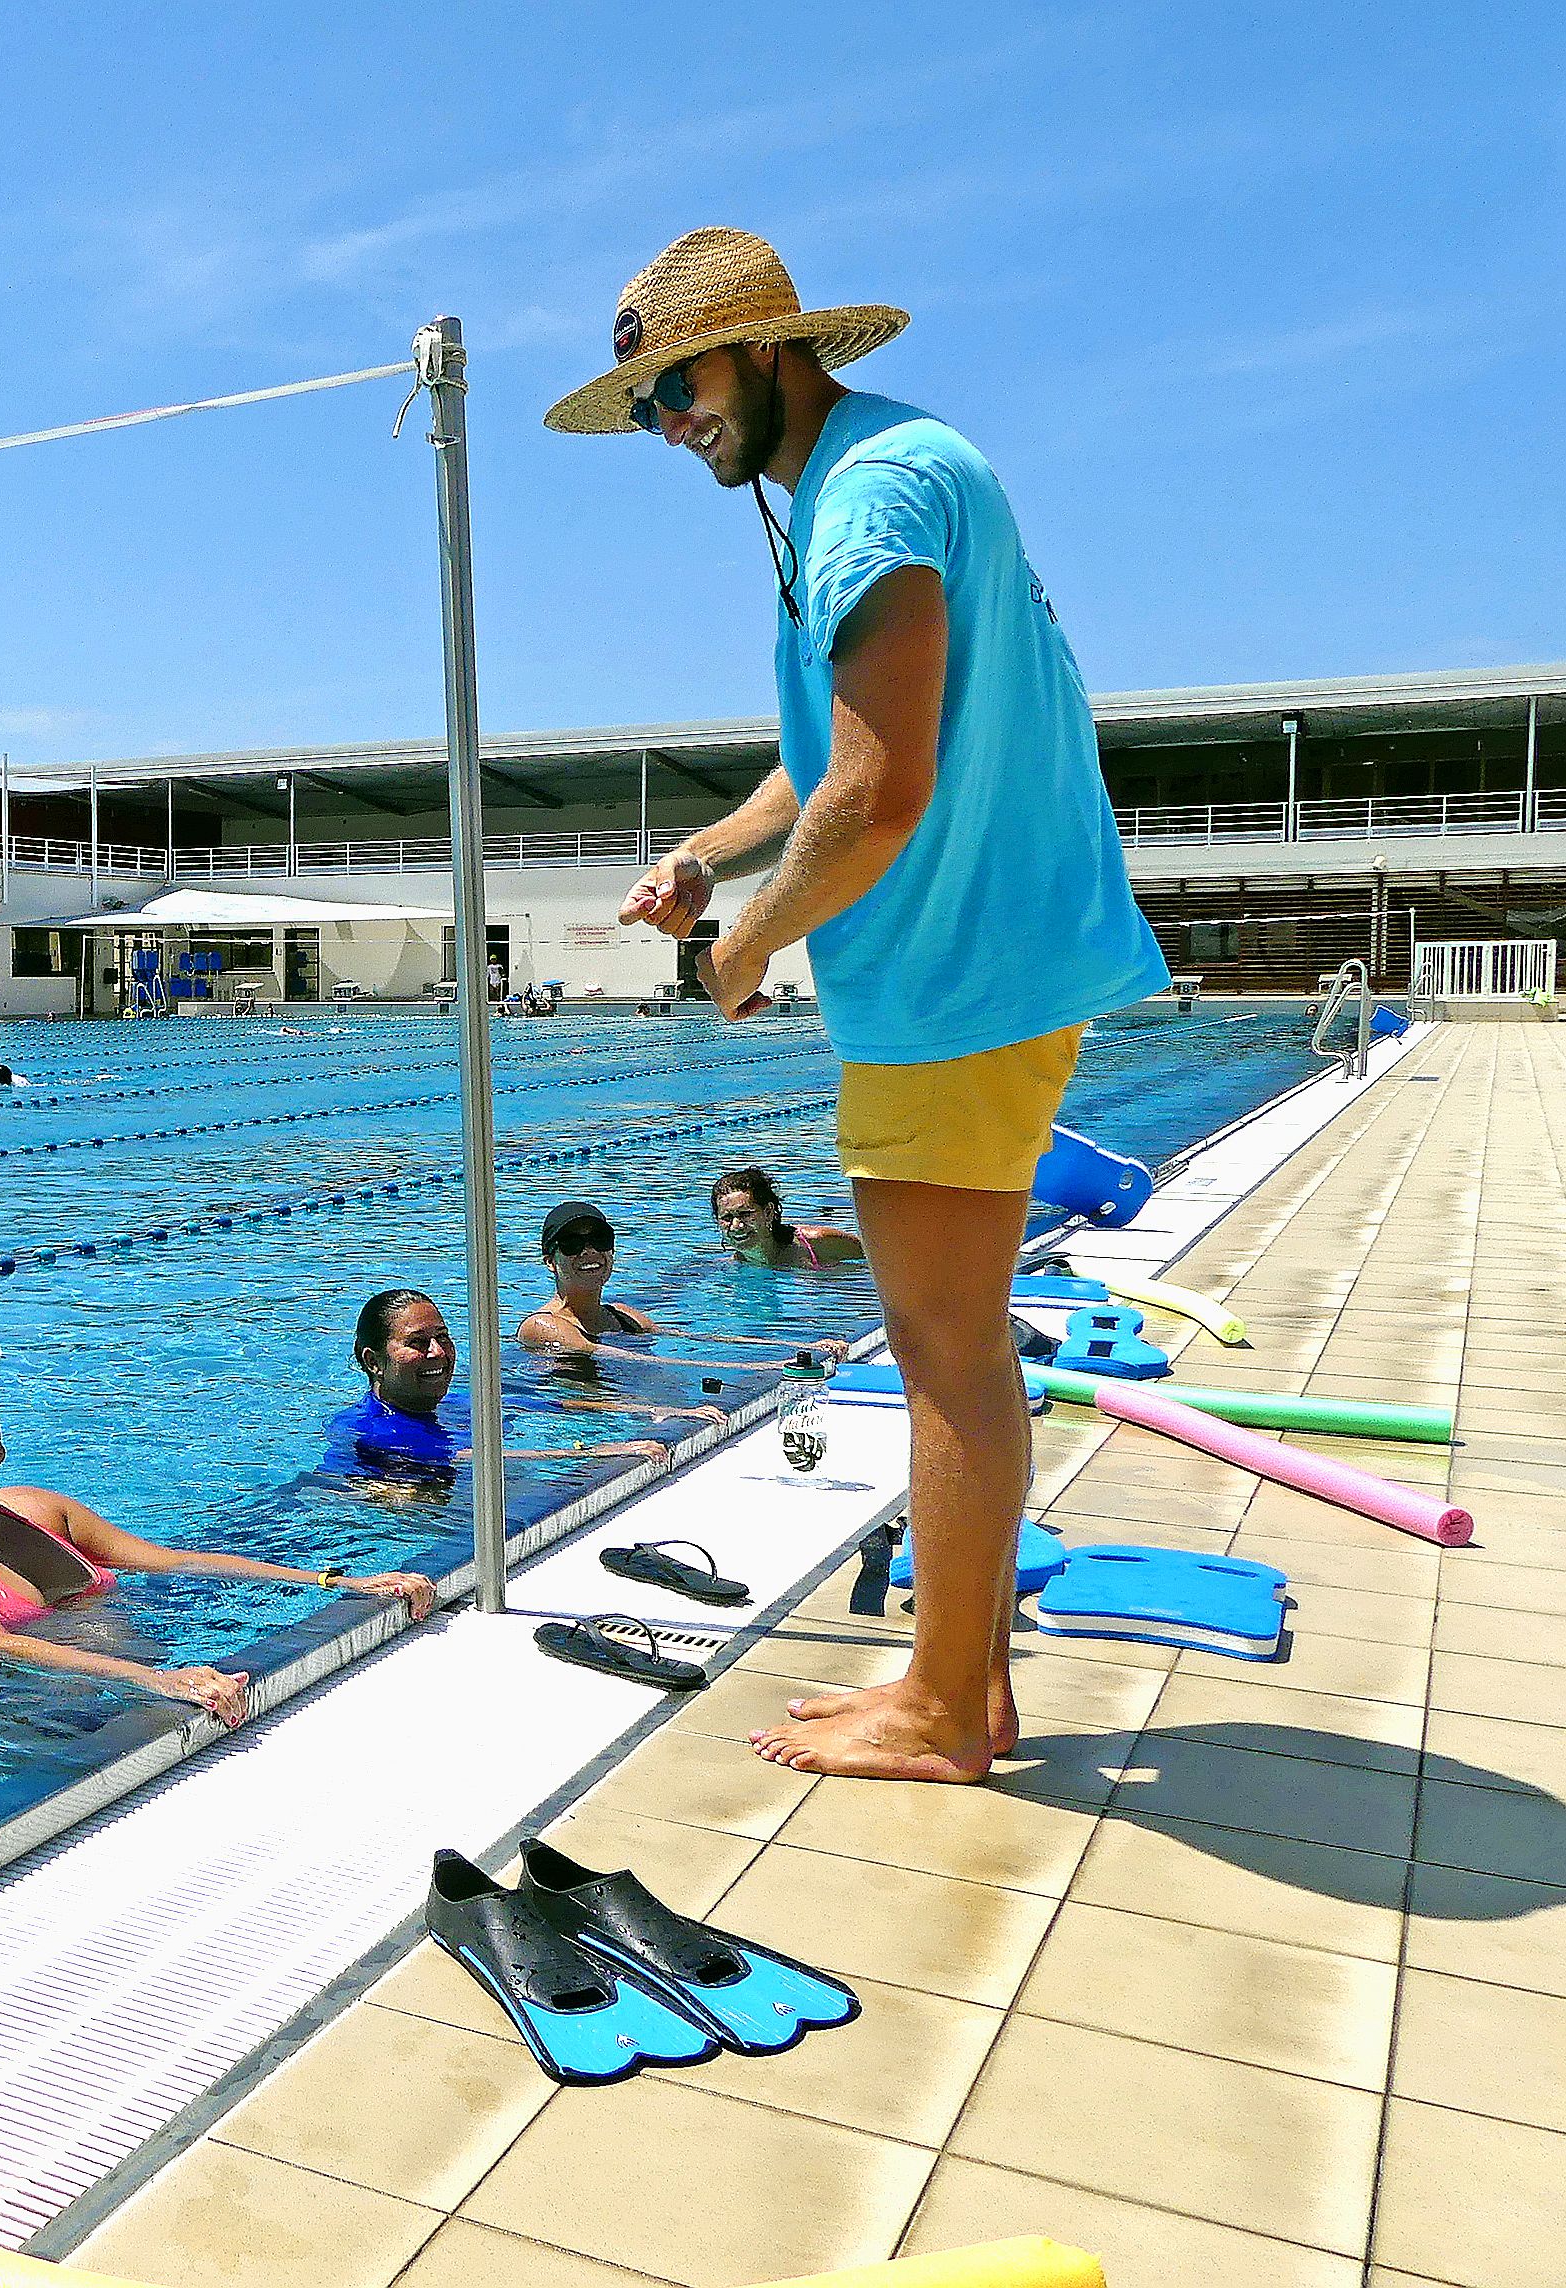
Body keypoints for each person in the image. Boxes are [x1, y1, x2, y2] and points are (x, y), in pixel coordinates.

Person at [552, 228, 1167, 1780]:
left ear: (764, 350)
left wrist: (744, 947)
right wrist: (707, 855)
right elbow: (827, 760)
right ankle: (965, 1682)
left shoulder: (868, 498)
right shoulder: (874, 475)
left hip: (958, 973)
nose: (664, 424)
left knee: (943, 1347)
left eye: (672, 386)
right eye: (639, 408)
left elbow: (879, 798)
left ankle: (942, 1711)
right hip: (973, 965)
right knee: (943, 1336)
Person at [0, 1335, 438, 1728]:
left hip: (140, 1710)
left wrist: (339, 1580)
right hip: (32, 1751)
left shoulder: (36, 1510)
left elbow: (171, 1562)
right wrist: (156, 1680)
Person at [330, 1290, 676, 1489]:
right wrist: (603, 1452)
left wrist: (658, 1411)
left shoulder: (449, 1405)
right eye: (418, 1342)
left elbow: (548, 1404)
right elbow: (481, 1459)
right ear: (372, 1361)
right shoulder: (373, 1431)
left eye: (443, 1337)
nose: (437, 1352)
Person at [517, 1201, 848, 1367]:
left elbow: (692, 1337)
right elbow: (625, 1358)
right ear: (550, 1261)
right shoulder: (544, 1325)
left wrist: (801, 1348)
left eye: (599, 1240)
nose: (589, 1251)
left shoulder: (620, 1314)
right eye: (572, 1245)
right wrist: (768, 1367)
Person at [710, 1165, 864, 1269]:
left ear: (769, 1212)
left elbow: (879, 1258)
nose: (737, 1225)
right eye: (727, 1217)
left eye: (745, 1214)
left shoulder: (817, 1241)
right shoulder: (735, 1266)